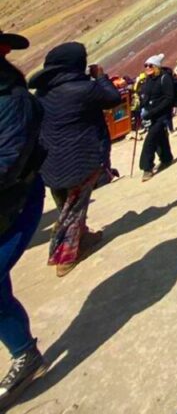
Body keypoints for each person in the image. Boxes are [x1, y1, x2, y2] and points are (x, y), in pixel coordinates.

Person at [28, 43, 120, 276]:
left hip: (50, 162)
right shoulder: (82, 88)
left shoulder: (43, 94)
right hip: (80, 159)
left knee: (64, 207)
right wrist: (100, 77)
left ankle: (84, 237)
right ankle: (65, 258)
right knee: (74, 210)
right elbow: (112, 97)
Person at [0, 28, 47, 408]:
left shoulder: (14, 102)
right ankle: (24, 351)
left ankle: (25, 353)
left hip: (14, 204)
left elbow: (9, 161)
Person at [138, 54, 175, 182]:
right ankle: (166, 159)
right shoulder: (149, 80)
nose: (147, 68)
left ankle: (146, 168)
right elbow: (146, 96)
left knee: (150, 140)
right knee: (159, 137)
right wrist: (142, 108)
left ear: (157, 66)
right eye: (146, 65)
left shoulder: (165, 78)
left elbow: (169, 98)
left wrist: (153, 111)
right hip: (150, 115)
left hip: (161, 114)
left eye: (150, 65)